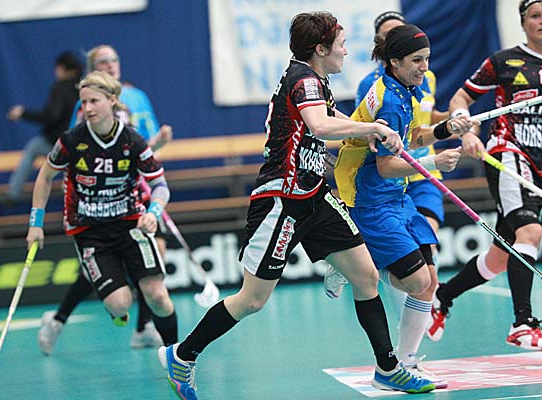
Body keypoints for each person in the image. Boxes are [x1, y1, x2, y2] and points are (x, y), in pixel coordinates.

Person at [157, 12, 437, 399]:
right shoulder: (303, 79)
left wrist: (364, 134)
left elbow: (330, 116)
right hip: (282, 200)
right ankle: (183, 355)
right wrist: (373, 127)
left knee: (366, 277)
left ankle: (388, 369)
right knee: (252, 300)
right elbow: (320, 126)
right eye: (341, 44)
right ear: (320, 49)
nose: (346, 51)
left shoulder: (315, 80)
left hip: (315, 196)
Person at [426, 0, 542, 351]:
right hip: (507, 155)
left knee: (500, 258)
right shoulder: (503, 62)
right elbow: (460, 99)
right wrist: (466, 131)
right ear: (524, 22)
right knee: (530, 232)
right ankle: (522, 324)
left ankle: (442, 296)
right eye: (535, 15)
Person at [328, 24, 477, 388]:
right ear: (394, 61)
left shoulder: (403, 89)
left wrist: (448, 129)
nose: (424, 67)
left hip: (397, 197)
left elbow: (411, 137)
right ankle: (351, 262)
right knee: (417, 281)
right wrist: (434, 163)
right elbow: (386, 165)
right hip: (371, 200)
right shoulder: (390, 100)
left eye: (426, 59)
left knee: (428, 283)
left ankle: (405, 362)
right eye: (416, 60)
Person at [26, 71, 178, 357]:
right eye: (84, 102)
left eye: (94, 101)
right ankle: (110, 307)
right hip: (89, 231)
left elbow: (160, 185)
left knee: (157, 295)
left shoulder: (132, 140)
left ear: (112, 101)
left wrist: (153, 212)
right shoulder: (71, 140)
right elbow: (45, 177)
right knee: (119, 305)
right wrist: (36, 223)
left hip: (131, 226)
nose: (87, 108)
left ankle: (176, 358)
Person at [5, 51, 83, 204]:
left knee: (34, 148)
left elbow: (51, 116)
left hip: (57, 141)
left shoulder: (61, 87)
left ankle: (13, 193)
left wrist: (23, 113)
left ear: (61, 68)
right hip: (79, 141)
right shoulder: (83, 87)